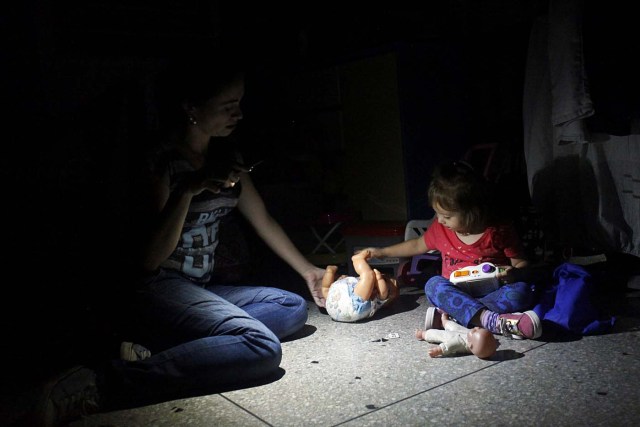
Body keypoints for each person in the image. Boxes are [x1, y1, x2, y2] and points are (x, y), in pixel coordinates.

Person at [31, 49, 328, 426]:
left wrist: (308, 271)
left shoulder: (226, 157)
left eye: (240, 103)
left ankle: (154, 346)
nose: (238, 114)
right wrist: (187, 191)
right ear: (192, 108)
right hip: (156, 287)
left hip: (198, 289)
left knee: (290, 307)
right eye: (228, 105)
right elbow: (148, 259)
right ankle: (97, 383)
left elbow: (263, 220)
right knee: (260, 346)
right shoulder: (160, 162)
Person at [360, 160, 542, 341]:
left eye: (446, 216)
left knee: (522, 291)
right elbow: (416, 245)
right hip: (455, 294)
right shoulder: (441, 230)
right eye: (437, 213)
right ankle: (491, 321)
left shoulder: (498, 231)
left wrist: (514, 274)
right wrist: (381, 252)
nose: (439, 220)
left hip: (491, 294)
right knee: (433, 285)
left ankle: (456, 318)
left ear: (473, 211)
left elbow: (521, 263)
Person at [321, 249, 399, 322]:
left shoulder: (381, 299)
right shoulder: (363, 288)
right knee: (327, 290)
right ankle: (330, 272)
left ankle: (357, 260)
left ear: (390, 296)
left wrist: (379, 278)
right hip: (334, 304)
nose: (382, 276)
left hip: (352, 306)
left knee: (368, 275)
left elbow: (383, 291)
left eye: (385, 280)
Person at [415, 308, 497, 359]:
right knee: (454, 326)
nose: (476, 328)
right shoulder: (472, 339)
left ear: (470, 345)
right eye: (479, 329)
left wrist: (438, 350)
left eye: (475, 331)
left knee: (437, 334)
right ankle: (445, 322)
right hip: (463, 332)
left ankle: (423, 334)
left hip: (452, 337)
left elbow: (448, 347)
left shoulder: (458, 343)